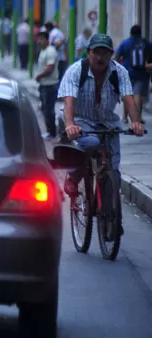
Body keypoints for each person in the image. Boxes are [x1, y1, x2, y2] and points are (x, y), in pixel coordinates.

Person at [59, 34, 144, 237]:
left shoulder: (119, 72)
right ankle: (74, 175)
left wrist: (135, 122)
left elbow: (129, 99)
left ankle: (110, 220)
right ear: (89, 53)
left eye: (105, 52)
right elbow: (69, 101)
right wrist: (70, 125)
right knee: (91, 142)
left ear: (111, 55)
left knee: (113, 171)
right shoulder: (76, 71)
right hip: (80, 119)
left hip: (107, 121)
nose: (100, 57)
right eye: (96, 52)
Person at [114, 24, 150, 124]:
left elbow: (116, 56)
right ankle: (137, 118)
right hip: (142, 72)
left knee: (127, 93)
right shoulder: (146, 43)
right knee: (138, 95)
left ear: (131, 32)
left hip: (127, 72)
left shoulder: (125, 43)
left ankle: (125, 117)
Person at [34, 30, 60, 139]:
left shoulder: (50, 51)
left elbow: (50, 68)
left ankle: (52, 132)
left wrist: (40, 76)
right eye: (38, 39)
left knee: (49, 109)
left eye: (41, 39)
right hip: (44, 85)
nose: (39, 42)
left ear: (46, 40)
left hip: (50, 85)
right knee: (45, 108)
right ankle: (49, 131)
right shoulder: (43, 51)